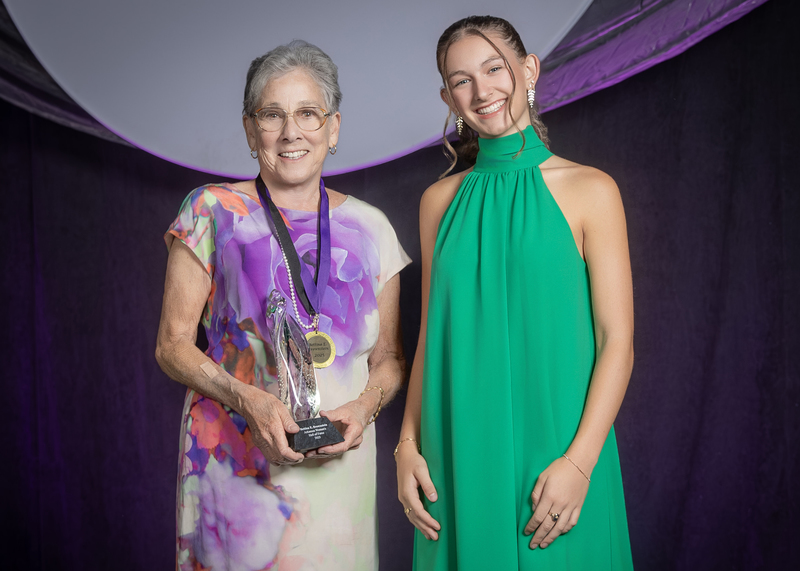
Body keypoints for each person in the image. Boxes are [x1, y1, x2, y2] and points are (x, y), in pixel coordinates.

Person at [156, 40, 410, 570]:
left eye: (308, 114)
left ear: (333, 128)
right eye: (273, 115)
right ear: (251, 131)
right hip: (235, 473)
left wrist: (363, 409)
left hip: (341, 478)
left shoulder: (373, 227)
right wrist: (249, 400)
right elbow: (172, 346)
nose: (291, 132)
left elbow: (388, 359)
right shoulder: (210, 210)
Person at [395, 15, 634, 570]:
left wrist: (580, 464)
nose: (481, 92)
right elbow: (432, 332)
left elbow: (616, 341)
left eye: (493, 68)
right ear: (447, 96)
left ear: (528, 69)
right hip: (458, 448)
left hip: (560, 453)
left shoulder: (591, 190)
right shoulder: (438, 202)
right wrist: (408, 445)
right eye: (461, 80)